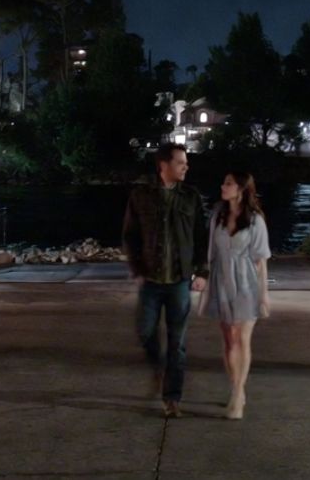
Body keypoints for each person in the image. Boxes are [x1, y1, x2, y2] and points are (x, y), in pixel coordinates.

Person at [122, 143, 207, 418]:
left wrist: (202, 273)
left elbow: (201, 237)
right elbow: (130, 236)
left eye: (186, 162)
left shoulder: (191, 197)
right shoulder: (141, 196)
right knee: (145, 331)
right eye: (181, 162)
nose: (186, 166)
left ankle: (172, 398)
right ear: (164, 166)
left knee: (177, 343)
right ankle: (159, 367)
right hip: (151, 280)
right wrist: (136, 268)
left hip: (180, 281)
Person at [200, 171, 271, 420]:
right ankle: (234, 388)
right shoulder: (217, 216)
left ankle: (238, 394)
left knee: (243, 339)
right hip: (221, 280)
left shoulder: (255, 220)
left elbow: (261, 260)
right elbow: (211, 253)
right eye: (224, 181)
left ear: (241, 189)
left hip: (246, 282)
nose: (223, 186)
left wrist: (263, 295)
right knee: (229, 339)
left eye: (228, 183)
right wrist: (206, 285)